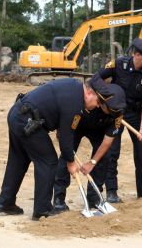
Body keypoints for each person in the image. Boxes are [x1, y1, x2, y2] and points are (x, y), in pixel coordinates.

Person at [0, 77, 114, 221]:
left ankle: (5, 202)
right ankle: (42, 210)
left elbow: (62, 124)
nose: (98, 106)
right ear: (89, 93)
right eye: (98, 101)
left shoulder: (74, 88)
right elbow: (65, 136)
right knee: (48, 162)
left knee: (18, 160)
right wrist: (70, 162)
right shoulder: (75, 102)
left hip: (17, 114)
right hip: (28, 121)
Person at [98, 37, 142, 202]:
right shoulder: (118, 64)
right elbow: (96, 79)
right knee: (113, 151)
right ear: (137, 55)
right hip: (116, 113)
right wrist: (105, 98)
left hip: (136, 113)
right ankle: (111, 191)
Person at [53, 75, 126, 212]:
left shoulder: (118, 111)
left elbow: (108, 140)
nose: (111, 113)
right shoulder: (91, 99)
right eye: (108, 110)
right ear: (102, 101)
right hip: (78, 125)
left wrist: (92, 162)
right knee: (66, 155)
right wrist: (62, 133)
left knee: (104, 157)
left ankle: (94, 199)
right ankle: (59, 198)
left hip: (99, 130)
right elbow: (67, 115)